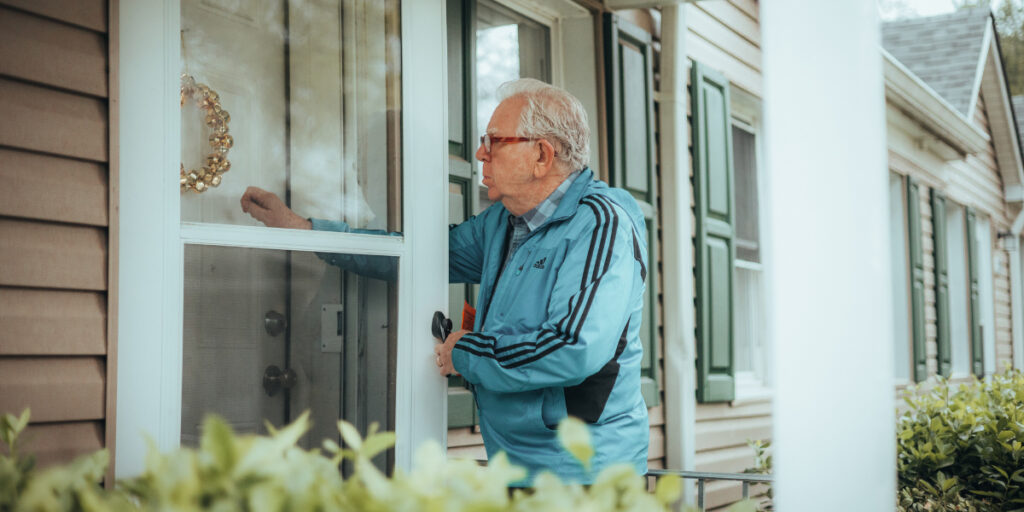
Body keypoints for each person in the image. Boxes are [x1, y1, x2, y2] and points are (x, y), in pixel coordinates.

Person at [240, 78, 649, 485]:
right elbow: (414, 255)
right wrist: (304, 229)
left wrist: (466, 352)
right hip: (516, 466)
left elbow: (574, 347)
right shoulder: (503, 224)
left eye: (494, 142)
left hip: (584, 475)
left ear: (541, 155)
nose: (478, 155)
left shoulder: (600, 224)